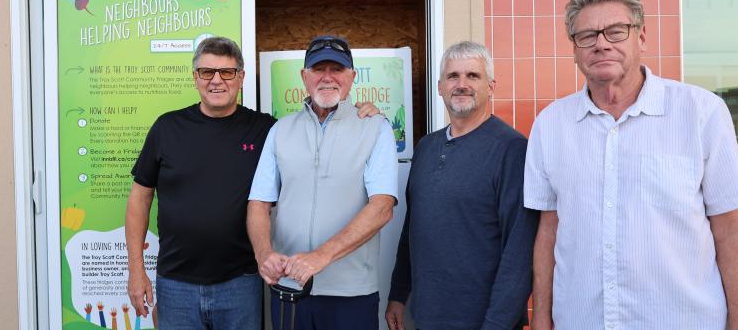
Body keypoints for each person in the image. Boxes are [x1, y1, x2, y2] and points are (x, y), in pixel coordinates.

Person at [524, 0, 738, 329]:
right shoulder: (550, 125)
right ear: (574, 50)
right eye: (587, 35)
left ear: (641, 38)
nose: (601, 43)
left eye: (616, 31)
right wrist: (542, 319)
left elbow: (733, 231)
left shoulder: (700, 112)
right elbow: (548, 231)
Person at [125, 36, 380, 329]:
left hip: (241, 283)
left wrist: (359, 113)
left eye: (227, 72)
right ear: (196, 78)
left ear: (241, 77)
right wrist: (136, 271)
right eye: (207, 72)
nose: (217, 81)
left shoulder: (267, 130)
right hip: (175, 283)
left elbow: (313, 139)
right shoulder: (167, 128)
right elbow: (139, 199)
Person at [247, 35, 399, 330]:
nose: (327, 77)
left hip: (351, 294)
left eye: (337, 69)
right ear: (304, 77)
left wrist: (320, 257)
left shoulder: (376, 128)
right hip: (288, 288)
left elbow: (382, 208)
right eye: (318, 69)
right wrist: (264, 255)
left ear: (352, 77)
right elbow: (258, 203)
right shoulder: (280, 130)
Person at [386, 41, 538, 330]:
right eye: (453, 76)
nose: (462, 84)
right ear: (440, 86)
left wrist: (497, 324)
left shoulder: (512, 150)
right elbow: (413, 229)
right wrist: (398, 293)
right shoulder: (426, 147)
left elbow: (520, 251)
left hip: (484, 321)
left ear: (491, 86)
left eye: (473, 76)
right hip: (428, 317)